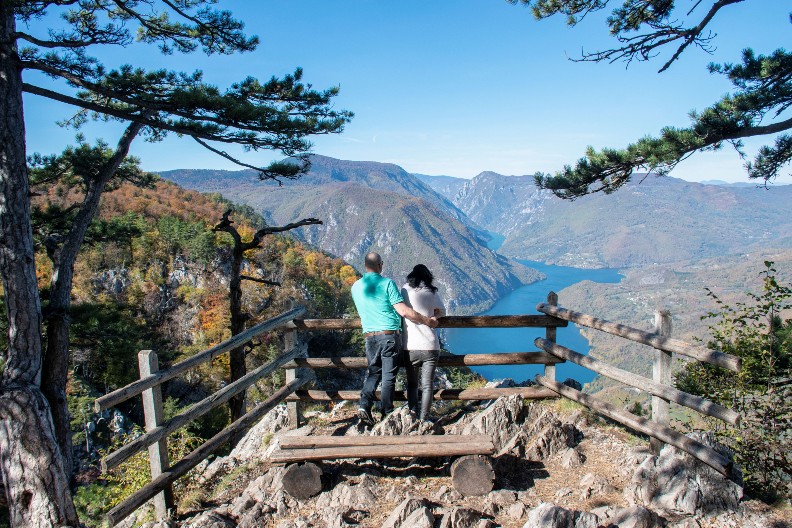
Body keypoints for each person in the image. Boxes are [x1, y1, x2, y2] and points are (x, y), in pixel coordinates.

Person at [351, 252, 438, 426]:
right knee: (388, 377)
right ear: (380, 265)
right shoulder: (387, 283)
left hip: (369, 337)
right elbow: (404, 311)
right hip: (388, 336)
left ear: (365, 265)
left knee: (373, 373)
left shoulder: (355, 287)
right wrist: (427, 321)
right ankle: (387, 413)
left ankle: (364, 406)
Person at [401, 264, 445, 421]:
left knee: (412, 385)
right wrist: (434, 318)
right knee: (427, 386)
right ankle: (423, 419)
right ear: (428, 276)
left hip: (410, 346)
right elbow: (442, 311)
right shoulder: (432, 292)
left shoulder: (405, 290)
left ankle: (412, 415)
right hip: (430, 346)